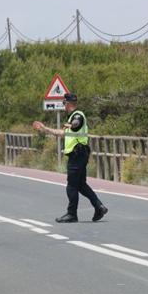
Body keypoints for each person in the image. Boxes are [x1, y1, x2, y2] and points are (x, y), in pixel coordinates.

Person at [32, 92, 107, 223]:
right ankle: (99, 206)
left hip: (77, 154)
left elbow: (77, 123)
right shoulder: (71, 117)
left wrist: (72, 124)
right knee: (81, 185)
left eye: (64, 103)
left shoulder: (77, 115)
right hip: (79, 154)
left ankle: (72, 214)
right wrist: (45, 129)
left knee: (71, 186)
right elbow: (62, 133)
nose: (63, 106)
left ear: (68, 103)